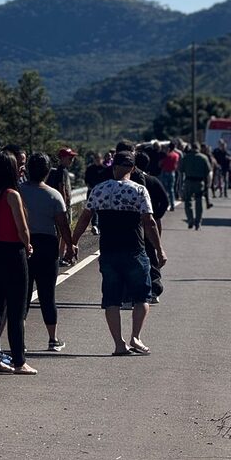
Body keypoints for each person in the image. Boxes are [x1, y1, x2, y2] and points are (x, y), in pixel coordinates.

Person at [71, 150, 166, 356]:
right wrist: (159, 249)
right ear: (133, 168)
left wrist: (73, 241)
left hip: (109, 250)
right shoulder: (139, 190)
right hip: (134, 249)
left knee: (111, 299)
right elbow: (149, 222)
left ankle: (119, 344)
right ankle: (136, 337)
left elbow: (85, 218)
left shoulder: (99, 189)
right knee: (142, 297)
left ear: (114, 167)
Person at [0, 150, 36, 374]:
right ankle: (19, 360)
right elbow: (22, 228)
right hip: (13, 253)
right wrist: (28, 245)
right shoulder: (12, 195)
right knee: (16, 309)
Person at [20, 153, 73, 352]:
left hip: (23, 244)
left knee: (22, 295)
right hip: (48, 246)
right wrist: (70, 246)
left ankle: (20, 341)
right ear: (48, 172)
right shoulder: (54, 195)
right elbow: (63, 225)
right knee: (47, 294)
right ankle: (53, 339)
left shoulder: (18, 192)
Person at [134, 150, 168, 302]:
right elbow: (165, 201)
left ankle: (131, 291)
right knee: (151, 255)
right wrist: (156, 216)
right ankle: (154, 288)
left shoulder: (130, 183)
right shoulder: (153, 181)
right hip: (149, 223)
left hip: (133, 225)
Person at [48, 147, 76, 263]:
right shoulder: (62, 171)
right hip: (63, 206)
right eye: (70, 158)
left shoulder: (59, 170)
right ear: (63, 158)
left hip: (60, 205)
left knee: (60, 232)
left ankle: (59, 255)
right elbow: (62, 187)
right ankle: (60, 256)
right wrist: (64, 205)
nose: (71, 160)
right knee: (64, 231)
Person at [180, 142, 212, 230]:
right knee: (199, 202)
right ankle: (198, 223)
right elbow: (208, 173)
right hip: (199, 182)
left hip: (188, 182)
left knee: (188, 201)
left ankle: (190, 219)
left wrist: (180, 185)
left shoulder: (186, 157)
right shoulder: (204, 158)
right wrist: (209, 184)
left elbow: (181, 171)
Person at [84, 152, 108, 234]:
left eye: (98, 158)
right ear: (94, 159)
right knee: (92, 209)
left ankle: (101, 226)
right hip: (92, 191)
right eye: (96, 158)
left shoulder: (105, 169)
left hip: (102, 192)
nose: (97, 160)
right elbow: (86, 180)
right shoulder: (90, 169)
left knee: (101, 209)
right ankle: (95, 225)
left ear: (102, 159)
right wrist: (90, 187)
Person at [159, 141, 181, 211]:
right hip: (172, 172)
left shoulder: (166, 155)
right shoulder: (176, 155)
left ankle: (165, 205)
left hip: (165, 171)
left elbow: (160, 164)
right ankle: (172, 205)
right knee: (171, 190)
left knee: (164, 190)